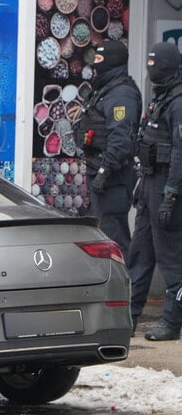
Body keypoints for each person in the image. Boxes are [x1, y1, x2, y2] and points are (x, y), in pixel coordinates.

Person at [130, 42, 182, 341]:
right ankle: (129, 316)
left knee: (171, 258)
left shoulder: (177, 102)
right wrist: (142, 186)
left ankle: (172, 322)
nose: (150, 68)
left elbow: (179, 152)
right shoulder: (160, 97)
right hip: (150, 182)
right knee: (140, 253)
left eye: (155, 63)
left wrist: (171, 195)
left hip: (167, 186)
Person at [74, 40, 142, 257]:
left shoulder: (122, 94)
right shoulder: (105, 90)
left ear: (112, 61)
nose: (95, 64)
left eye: (100, 59)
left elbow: (121, 140)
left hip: (114, 177)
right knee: (101, 235)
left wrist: (105, 170)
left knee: (114, 236)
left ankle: (123, 277)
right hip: (99, 171)